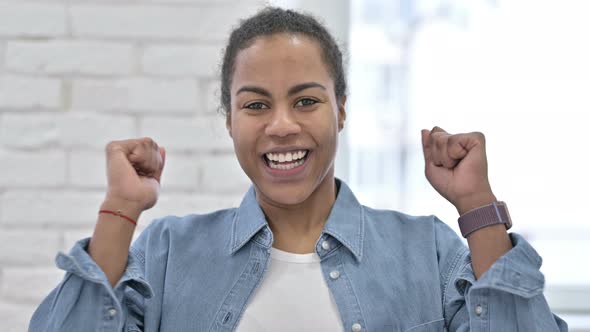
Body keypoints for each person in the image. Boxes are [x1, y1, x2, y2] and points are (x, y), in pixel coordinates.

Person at [30, 7, 567, 332]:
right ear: (229, 120)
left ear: (342, 109)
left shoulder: (426, 251)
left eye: (306, 101)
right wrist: (120, 211)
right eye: (256, 105)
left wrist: (478, 209)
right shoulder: (169, 253)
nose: (281, 125)